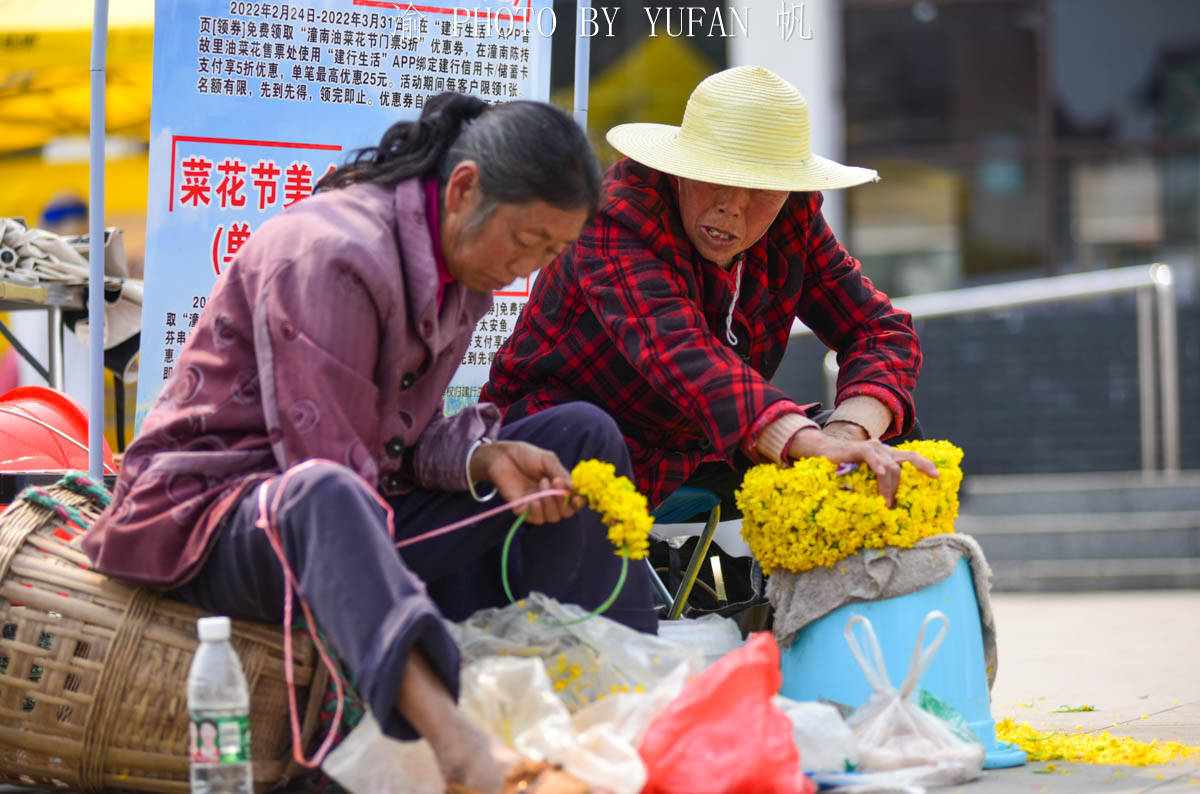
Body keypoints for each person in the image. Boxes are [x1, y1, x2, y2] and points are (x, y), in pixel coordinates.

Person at [83, 93, 656, 794]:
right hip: (209, 520)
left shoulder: (460, 270)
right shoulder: (332, 253)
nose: (531, 268)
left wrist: (483, 457)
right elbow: (326, 471)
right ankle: (458, 744)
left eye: (553, 251)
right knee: (331, 497)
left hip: (346, 503)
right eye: (527, 239)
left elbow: (393, 440)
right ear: (465, 188)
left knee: (581, 436)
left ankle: (612, 713)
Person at [482, 65, 939, 525]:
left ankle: (842, 598)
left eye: (760, 189)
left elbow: (880, 329)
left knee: (888, 448)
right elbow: (681, 352)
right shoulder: (616, 216)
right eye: (714, 177)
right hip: (571, 446)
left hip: (707, 449)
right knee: (588, 431)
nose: (732, 207)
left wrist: (847, 433)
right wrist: (810, 442)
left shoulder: (791, 215)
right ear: (681, 169)